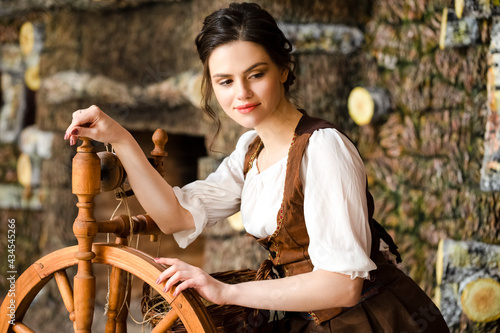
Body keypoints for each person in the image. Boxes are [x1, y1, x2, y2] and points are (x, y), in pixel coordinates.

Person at [65, 2, 449, 332]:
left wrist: (224, 291)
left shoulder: (323, 148)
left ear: (283, 69)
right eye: (225, 81)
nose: (241, 94)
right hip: (312, 320)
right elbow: (176, 217)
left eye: (256, 74)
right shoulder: (251, 150)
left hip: (367, 321)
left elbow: (342, 286)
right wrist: (120, 139)